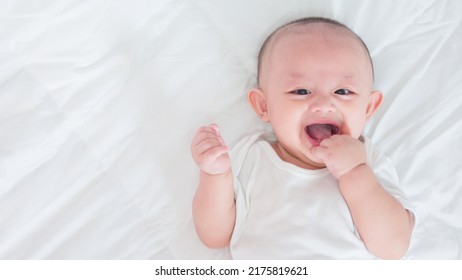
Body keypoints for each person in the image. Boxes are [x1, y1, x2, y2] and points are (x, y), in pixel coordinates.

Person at [190, 17, 415, 259]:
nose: (323, 104)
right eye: (301, 91)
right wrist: (214, 175)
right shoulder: (250, 158)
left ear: (368, 107)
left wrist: (356, 173)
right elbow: (215, 237)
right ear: (264, 105)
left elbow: (393, 247)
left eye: (342, 91)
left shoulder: (368, 162)